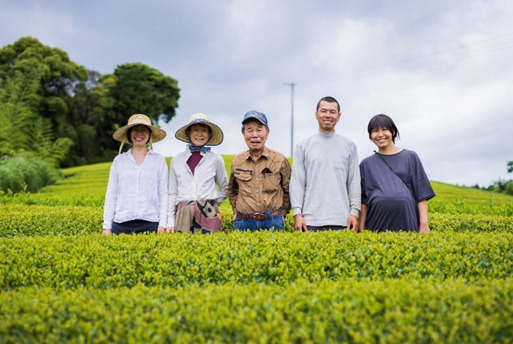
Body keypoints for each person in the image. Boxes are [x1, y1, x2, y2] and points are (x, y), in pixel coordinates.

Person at [290, 96, 361, 232]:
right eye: (323, 111)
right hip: (310, 221)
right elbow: (297, 183)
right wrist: (297, 214)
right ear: (316, 115)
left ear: (339, 116)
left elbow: (354, 182)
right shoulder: (303, 146)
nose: (328, 115)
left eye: (332, 112)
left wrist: (354, 212)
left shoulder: (349, 146)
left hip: (342, 220)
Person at [359, 114, 435, 233]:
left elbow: (421, 194)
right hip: (376, 222)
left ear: (393, 132)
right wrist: (361, 228)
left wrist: (424, 224)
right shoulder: (365, 164)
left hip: (407, 220)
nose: (380, 135)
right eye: (375, 131)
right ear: (370, 136)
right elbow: (363, 201)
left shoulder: (410, 157)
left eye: (384, 130)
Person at [103, 114, 168, 235]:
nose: (139, 134)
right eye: (135, 130)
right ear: (129, 134)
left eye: (144, 130)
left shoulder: (158, 160)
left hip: (151, 222)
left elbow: (163, 194)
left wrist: (163, 223)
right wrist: (107, 226)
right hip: (122, 223)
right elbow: (111, 194)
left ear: (149, 135)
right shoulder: (119, 161)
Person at [228, 110, 291, 231]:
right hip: (243, 222)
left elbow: (288, 190)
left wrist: (282, 213)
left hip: (273, 220)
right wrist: (236, 211)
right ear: (243, 134)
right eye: (249, 130)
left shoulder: (279, 159)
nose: (254, 135)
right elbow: (232, 189)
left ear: (267, 133)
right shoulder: (237, 161)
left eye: (259, 130)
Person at [167, 113, 228, 234]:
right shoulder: (177, 159)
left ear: (209, 134)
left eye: (204, 130)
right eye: (195, 129)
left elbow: (225, 186)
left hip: (209, 212)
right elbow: (172, 192)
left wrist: (212, 203)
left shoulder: (216, 159)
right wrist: (170, 220)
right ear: (188, 133)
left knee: (211, 248)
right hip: (183, 211)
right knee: (183, 249)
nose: (199, 134)